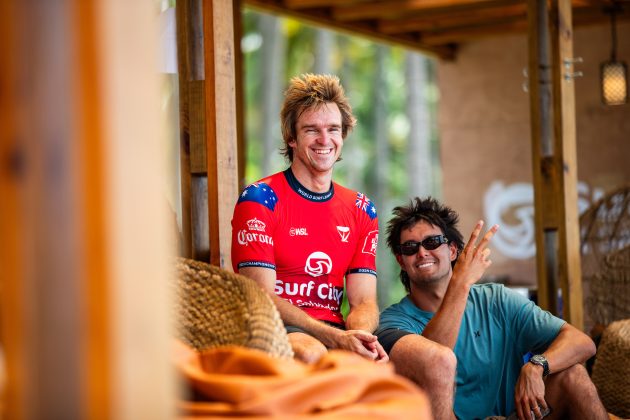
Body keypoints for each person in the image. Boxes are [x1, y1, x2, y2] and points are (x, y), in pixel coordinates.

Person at [376, 197, 608, 420]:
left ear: (453, 251)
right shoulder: (391, 324)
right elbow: (433, 361)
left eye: (432, 242)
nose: (422, 252)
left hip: (516, 415)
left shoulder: (495, 299)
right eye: (409, 247)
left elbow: (582, 343)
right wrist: (461, 283)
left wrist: (538, 365)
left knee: (574, 374)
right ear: (401, 261)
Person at [231, 74, 387, 365]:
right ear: (291, 137)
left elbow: (364, 301)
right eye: (311, 130)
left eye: (333, 129)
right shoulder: (259, 199)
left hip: (336, 330)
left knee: (400, 364)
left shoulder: (362, 208)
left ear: (342, 136)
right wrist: (335, 339)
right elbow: (262, 297)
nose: (324, 140)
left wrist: (358, 337)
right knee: (312, 353)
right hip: (276, 328)